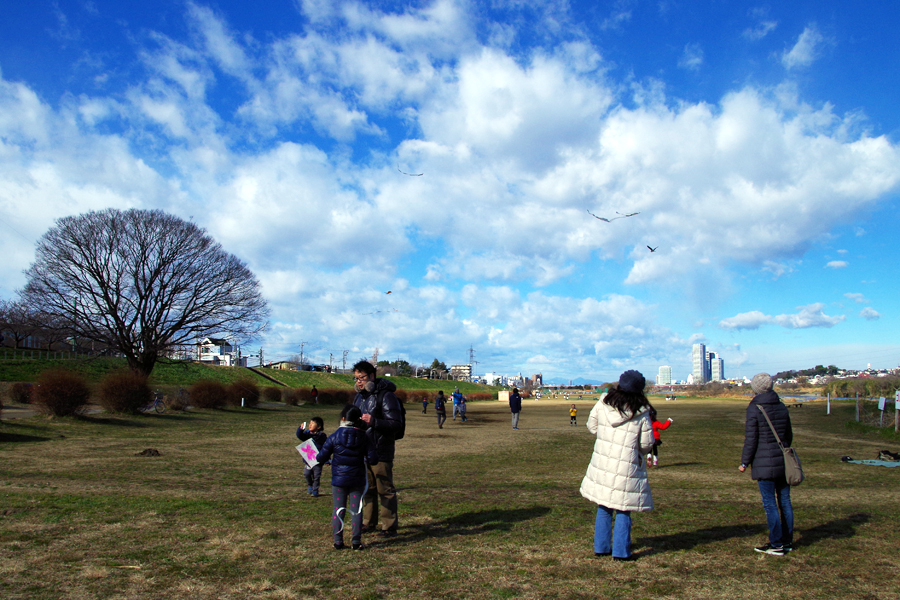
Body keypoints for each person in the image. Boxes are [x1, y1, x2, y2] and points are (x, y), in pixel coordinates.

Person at [579, 370, 654, 561]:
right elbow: (646, 444)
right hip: (627, 465)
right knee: (623, 507)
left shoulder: (604, 402)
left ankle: (601, 547)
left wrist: (606, 437)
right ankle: (621, 551)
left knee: (603, 505)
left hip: (603, 460)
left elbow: (591, 426)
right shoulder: (642, 411)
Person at [740, 373, 794, 556]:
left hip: (764, 462)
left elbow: (751, 439)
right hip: (783, 461)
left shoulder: (754, 408)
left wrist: (744, 462)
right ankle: (787, 541)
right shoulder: (781, 406)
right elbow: (788, 435)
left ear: (756, 388)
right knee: (785, 501)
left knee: (770, 503)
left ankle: (776, 543)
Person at [352, 360, 403, 537]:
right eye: (356, 378)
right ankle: (368, 522)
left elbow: (396, 423)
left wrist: (373, 421)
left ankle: (389, 526)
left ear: (372, 376)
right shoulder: (359, 397)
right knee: (367, 488)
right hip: (362, 449)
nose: (359, 381)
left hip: (381, 450)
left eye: (362, 377)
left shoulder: (386, 396)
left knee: (385, 489)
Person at [316, 405, 378, 550]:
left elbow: (320, 457)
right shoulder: (364, 437)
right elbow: (373, 459)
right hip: (357, 479)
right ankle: (356, 542)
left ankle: (338, 541)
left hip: (339, 480)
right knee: (356, 510)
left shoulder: (334, 436)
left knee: (338, 509)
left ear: (343, 419)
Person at [296, 417, 328, 496]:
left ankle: (315, 490)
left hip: (318, 460)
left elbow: (326, 448)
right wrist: (300, 429)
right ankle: (310, 485)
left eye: (312, 423)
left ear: (318, 427)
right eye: (309, 423)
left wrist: (327, 459)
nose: (310, 425)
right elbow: (300, 436)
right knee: (307, 474)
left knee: (316, 476)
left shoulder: (322, 436)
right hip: (309, 460)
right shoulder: (307, 434)